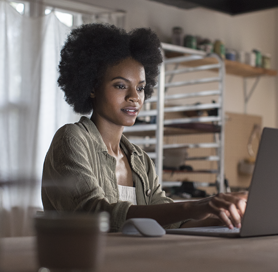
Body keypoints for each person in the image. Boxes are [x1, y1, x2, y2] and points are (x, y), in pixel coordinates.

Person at [41, 23, 247, 232]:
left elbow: (172, 222)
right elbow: (95, 214)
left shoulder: (140, 159)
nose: (134, 97)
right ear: (92, 87)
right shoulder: (71, 140)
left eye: (140, 88)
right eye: (121, 86)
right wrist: (193, 206)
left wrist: (229, 218)